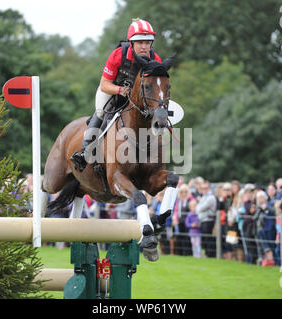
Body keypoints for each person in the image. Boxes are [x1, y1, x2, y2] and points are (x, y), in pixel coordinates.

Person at [70, 18, 162, 171]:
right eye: (140, 42)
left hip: (139, 101)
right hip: (113, 92)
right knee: (101, 113)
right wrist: (120, 90)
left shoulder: (155, 59)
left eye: (147, 42)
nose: (144, 46)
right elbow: (104, 84)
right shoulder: (118, 55)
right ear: (131, 43)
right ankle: (85, 153)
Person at [196, 181, 217, 257]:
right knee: (205, 239)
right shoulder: (204, 197)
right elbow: (197, 208)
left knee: (208, 239)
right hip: (203, 221)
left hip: (209, 221)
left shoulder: (211, 197)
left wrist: (199, 206)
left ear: (209, 188)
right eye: (203, 188)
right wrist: (198, 207)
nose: (204, 189)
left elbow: (200, 208)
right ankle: (207, 254)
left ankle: (209, 255)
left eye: (206, 188)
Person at [172, 184, 194, 256]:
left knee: (187, 238)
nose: (184, 193)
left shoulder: (190, 199)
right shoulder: (178, 200)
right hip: (179, 222)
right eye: (182, 192)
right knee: (179, 238)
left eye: (185, 191)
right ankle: (180, 253)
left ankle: (187, 254)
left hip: (188, 222)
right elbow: (175, 210)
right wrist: (175, 219)